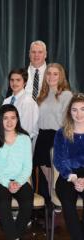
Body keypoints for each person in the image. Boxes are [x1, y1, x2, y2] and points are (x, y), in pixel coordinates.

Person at [0, 104, 33, 240]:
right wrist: (8, 183)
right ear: (0, 120)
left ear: (17, 120)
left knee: (27, 202)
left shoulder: (24, 139)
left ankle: (14, 236)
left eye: (13, 118)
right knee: (4, 203)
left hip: (21, 180)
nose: (9, 122)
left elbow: (27, 167)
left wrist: (18, 182)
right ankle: (15, 237)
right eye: (5, 118)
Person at [33, 63, 72, 204]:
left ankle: (57, 207)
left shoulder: (66, 95)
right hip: (42, 138)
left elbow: (67, 122)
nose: (51, 76)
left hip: (57, 138)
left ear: (61, 76)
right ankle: (50, 210)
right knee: (47, 179)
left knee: (55, 179)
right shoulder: (41, 95)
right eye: (49, 73)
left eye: (55, 74)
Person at [54, 94, 84, 240]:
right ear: (69, 112)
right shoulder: (62, 133)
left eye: (82, 109)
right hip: (67, 176)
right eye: (74, 110)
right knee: (68, 203)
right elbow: (59, 160)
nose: (79, 114)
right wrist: (73, 179)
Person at [3, 68, 39, 139]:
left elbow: (26, 129)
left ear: (25, 82)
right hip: (6, 139)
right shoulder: (7, 101)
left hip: (21, 141)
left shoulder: (28, 102)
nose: (14, 83)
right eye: (12, 80)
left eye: (18, 80)